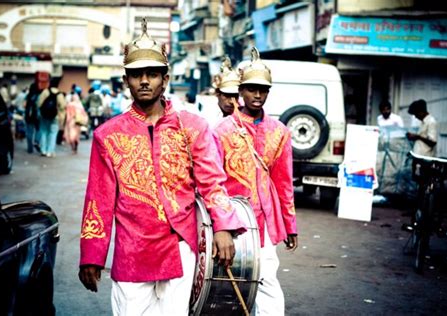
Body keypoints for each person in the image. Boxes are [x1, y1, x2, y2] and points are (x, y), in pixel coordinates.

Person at [78, 18, 246, 316]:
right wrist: (92, 254)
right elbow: (98, 200)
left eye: (152, 74)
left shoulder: (192, 126)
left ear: (164, 79)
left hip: (180, 243)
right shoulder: (108, 135)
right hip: (132, 249)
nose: (144, 81)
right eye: (136, 75)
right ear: (126, 80)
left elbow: (211, 182)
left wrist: (223, 227)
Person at [214, 47, 298, 316]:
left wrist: (290, 224)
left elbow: (284, 182)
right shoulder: (223, 131)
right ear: (241, 91)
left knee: (267, 280)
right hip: (233, 221)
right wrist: (218, 225)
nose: (257, 95)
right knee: (225, 284)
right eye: (251, 89)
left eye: (263, 89)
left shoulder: (280, 132)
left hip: (265, 222)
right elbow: (212, 182)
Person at [37, 77, 66, 157]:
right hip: (55, 117)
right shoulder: (59, 94)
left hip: (44, 116)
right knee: (53, 134)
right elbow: (63, 106)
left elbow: (39, 103)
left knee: (43, 132)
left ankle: (43, 150)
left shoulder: (45, 92)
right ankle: (50, 151)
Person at [24, 83, 41, 153]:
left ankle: (30, 148)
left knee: (29, 131)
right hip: (37, 116)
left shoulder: (28, 96)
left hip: (29, 115)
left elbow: (24, 105)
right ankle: (36, 141)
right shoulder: (39, 95)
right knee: (38, 130)